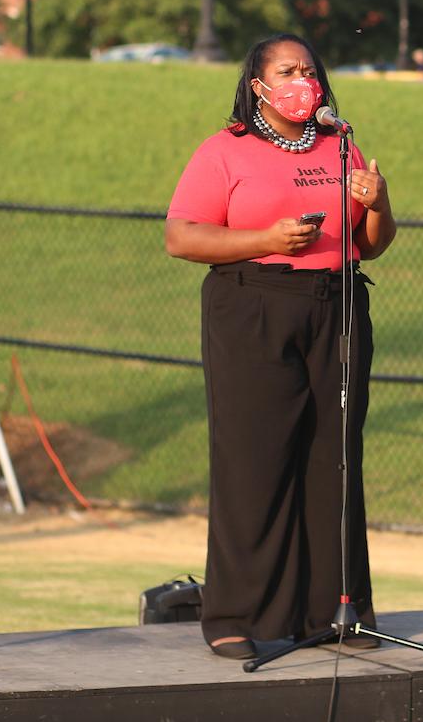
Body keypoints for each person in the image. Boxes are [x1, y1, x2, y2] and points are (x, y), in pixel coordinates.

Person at [164, 33, 396, 660]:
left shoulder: (340, 145)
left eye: (310, 70)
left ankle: (336, 610)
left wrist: (380, 203)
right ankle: (238, 615)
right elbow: (181, 237)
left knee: (334, 460)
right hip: (254, 305)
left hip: (339, 307)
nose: (304, 81)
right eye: (288, 71)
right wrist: (262, 238)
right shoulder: (224, 151)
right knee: (255, 461)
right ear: (258, 86)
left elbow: (372, 242)